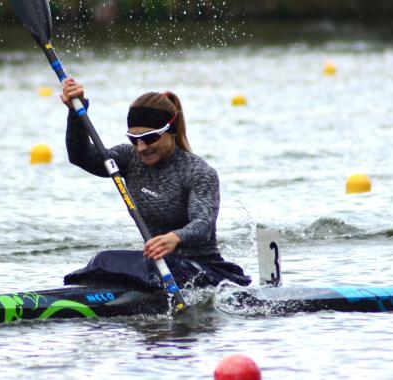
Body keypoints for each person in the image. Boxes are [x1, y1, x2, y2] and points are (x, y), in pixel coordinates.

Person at [59, 78, 251, 291]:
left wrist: (175, 237)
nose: (141, 148)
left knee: (146, 266)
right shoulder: (128, 157)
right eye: (134, 139)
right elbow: (81, 156)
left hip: (203, 269)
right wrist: (75, 113)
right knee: (103, 260)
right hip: (155, 267)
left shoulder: (198, 172)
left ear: (171, 131)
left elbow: (203, 224)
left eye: (149, 138)